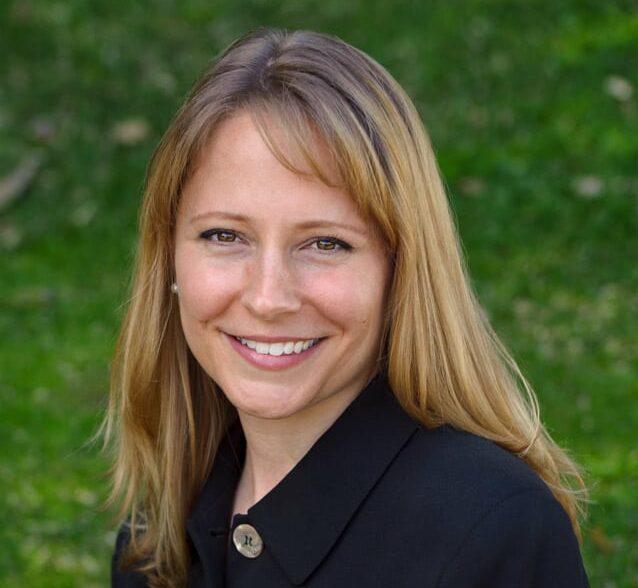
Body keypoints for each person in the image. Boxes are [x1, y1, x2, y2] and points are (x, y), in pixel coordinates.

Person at [107, 28, 590, 587]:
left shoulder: (493, 531)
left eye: (326, 244)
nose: (268, 298)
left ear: (401, 269)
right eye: (224, 236)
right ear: (169, 259)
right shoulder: (160, 528)